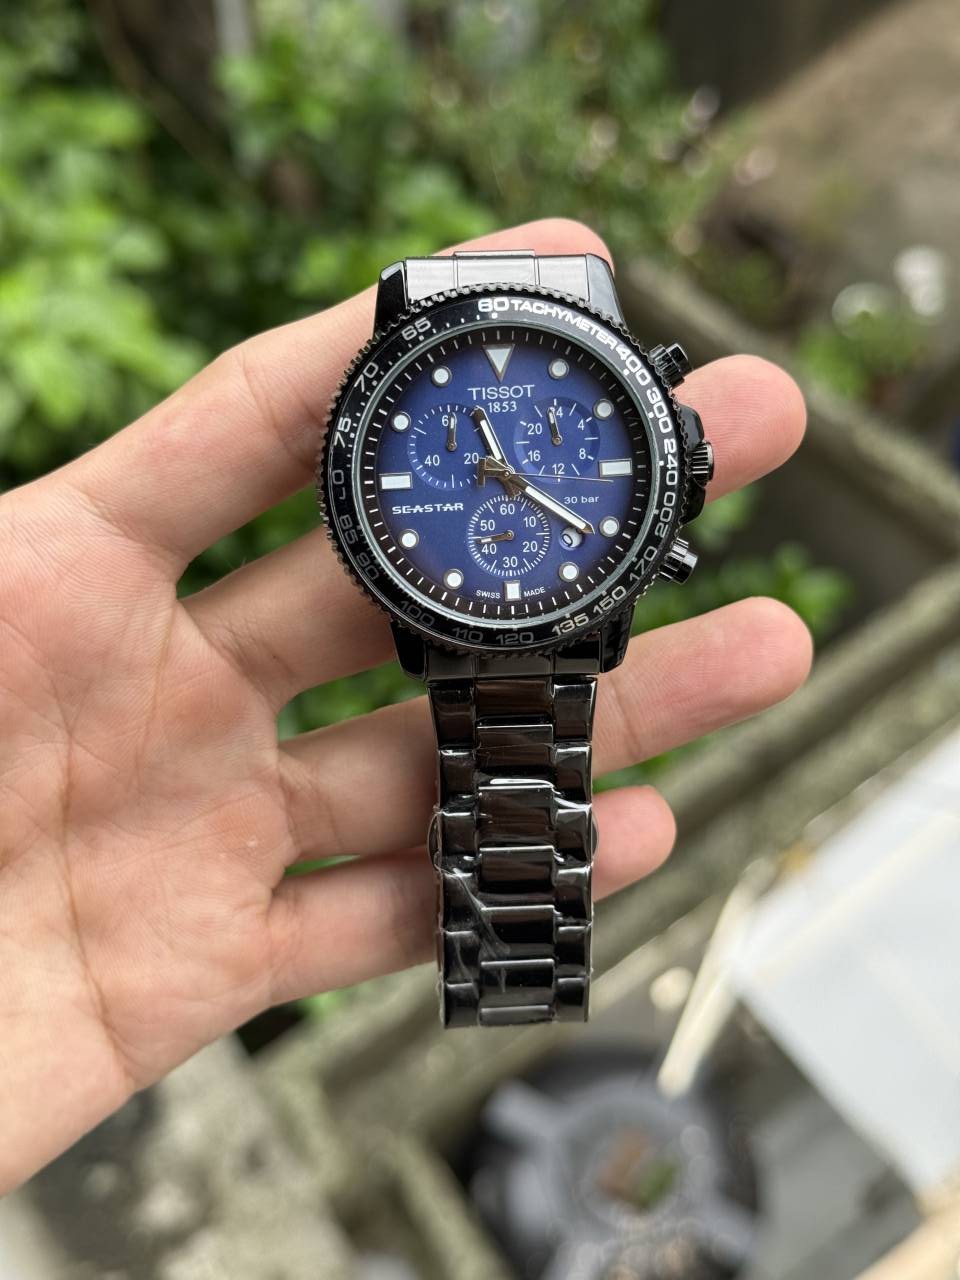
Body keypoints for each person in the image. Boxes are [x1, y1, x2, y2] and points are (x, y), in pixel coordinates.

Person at [0, 220, 811, 1192]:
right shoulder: (415, 478)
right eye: (489, 469)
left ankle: (514, 971)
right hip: (477, 603)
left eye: (525, 463)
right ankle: (512, 972)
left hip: (529, 603)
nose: (506, 477)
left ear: (674, 465)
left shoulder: (586, 469)